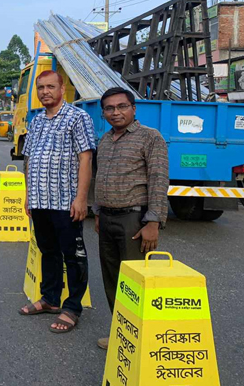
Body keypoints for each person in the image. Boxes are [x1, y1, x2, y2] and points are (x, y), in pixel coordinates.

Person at [17, 71, 95, 334]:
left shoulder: (77, 118)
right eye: (40, 88)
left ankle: (72, 307)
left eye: (50, 86)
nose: (45, 92)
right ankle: (50, 298)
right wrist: (29, 195)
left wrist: (81, 198)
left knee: (73, 255)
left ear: (63, 88)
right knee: (47, 250)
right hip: (40, 200)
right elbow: (29, 160)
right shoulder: (36, 121)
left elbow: (86, 158)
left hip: (66, 201)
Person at [93, 87, 169, 350]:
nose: (116, 112)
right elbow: (100, 177)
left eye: (122, 106)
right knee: (112, 279)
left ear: (134, 109)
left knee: (134, 282)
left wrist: (153, 222)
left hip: (134, 223)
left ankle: (141, 340)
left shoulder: (150, 138)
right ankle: (121, 334)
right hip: (107, 218)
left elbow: (159, 180)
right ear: (103, 113)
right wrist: (97, 212)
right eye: (110, 108)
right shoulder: (104, 140)